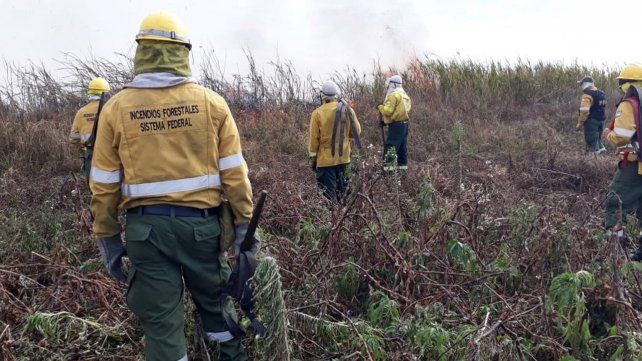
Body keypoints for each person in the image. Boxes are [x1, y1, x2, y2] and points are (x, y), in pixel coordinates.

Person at [90, 11, 254, 361]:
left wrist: (108, 239)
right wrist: (244, 228)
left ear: (141, 52)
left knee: (162, 326)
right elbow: (235, 175)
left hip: (145, 234)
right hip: (202, 230)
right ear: (183, 52)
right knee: (217, 309)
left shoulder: (116, 108)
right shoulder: (212, 104)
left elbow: (104, 185)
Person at [602, 64, 642, 261]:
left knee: (614, 203)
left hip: (635, 166)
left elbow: (621, 137)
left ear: (625, 83)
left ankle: (616, 253)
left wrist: (609, 134)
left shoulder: (630, 103)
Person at [308, 81, 361, 201]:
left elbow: (313, 139)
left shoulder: (317, 113)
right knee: (344, 195)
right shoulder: (348, 109)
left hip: (325, 163)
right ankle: (345, 218)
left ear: (323, 95)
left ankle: (332, 219)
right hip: (344, 160)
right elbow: (356, 132)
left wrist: (313, 158)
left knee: (329, 197)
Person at [69, 77, 110, 181]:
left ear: (90, 93)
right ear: (105, 93)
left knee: (93, 188)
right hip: (109, 155)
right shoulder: (110, 109)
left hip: (90, 155)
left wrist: (85, 153)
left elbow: (74, 139)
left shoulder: (81, 112)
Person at [378, 75, 412, 171]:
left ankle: (390, 175)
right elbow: (401, 112)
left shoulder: (394, 95)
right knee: (402, 149)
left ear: (393, 84)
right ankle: (403, 173)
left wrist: (380, 107)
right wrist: (386, 122)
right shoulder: (405, 95)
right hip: (404, 125)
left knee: (390, 149)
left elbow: (388, 111)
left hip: (396, 126)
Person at [577, 76, 607, 154]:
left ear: (585, 84)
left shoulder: (587, 95)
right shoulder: (601, 93)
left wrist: (580, 123)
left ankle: (594, 162)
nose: (580, 86)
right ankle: (603, 157)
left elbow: (584, 111)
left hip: (591, 121)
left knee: (591, 141)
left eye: (581, 84)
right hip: (601, 120)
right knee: (598, 140)